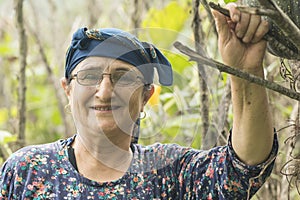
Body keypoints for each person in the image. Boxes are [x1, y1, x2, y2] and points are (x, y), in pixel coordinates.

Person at [0, 3, 278, 199]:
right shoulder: (27, 170)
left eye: (123, 78)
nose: (105, 91)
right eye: (90, 76)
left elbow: (243, 167)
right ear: (68, 90)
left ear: (146, 95)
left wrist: (246, 73)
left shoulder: (170, 174)